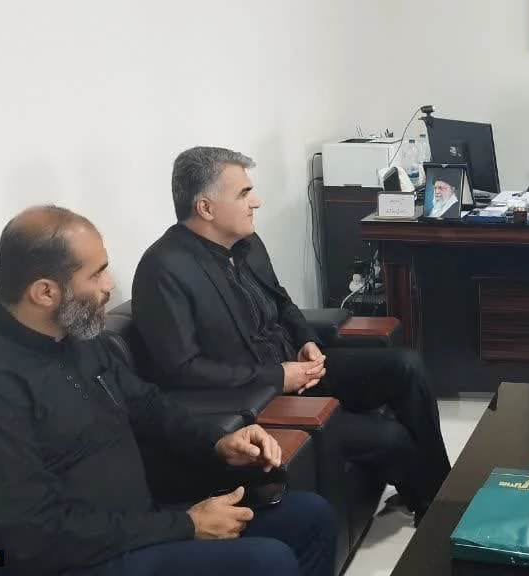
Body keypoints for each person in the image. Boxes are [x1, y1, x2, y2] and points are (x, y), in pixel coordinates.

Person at [0, 206, 337, 576]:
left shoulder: (76, 337)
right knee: (265, 562)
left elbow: (147, 405)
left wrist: (218, 442)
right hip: (70, 559)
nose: (110, 285)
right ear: (45, 292)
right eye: (96, 273)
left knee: (310, 517)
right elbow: (31, 535)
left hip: (135, 523)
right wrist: (185, 526)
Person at [131, 146, 451, 523]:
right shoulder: (163, 270)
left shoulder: (247, 244)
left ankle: (444, 496)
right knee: (391, 438)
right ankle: (432, 508)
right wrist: (278, 377)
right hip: (262, 397)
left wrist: (306, 340)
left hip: (299, 367)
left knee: (407, 365)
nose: (257, 202)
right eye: (244, 194)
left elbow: (282, 302)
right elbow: (181, 370)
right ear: (206, 208)